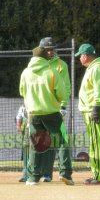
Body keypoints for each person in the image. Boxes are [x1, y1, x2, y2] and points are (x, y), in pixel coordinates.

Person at [19, 46, 74, 186]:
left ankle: (32, 178)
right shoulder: (52, 71)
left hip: (34, 114)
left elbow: (22, 92)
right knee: (62, 141)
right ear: (45, 57)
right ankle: (65, 173)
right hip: (52, 113)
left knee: (36, 144)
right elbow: (62, 94)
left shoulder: (25, 72)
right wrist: (54, 101)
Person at [75, 43, 100, 185]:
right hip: (91, 110)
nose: (79, 59)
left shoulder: (96, 69)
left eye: (80, 56)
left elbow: (99, 91)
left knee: (97, 144)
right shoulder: (95, 68)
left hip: (94, 110)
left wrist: (96, 107)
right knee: (95, 143)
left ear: (85, 56)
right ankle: (97, 173)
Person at [38, 37, 71, 182]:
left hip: (56, 109)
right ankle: (44, 174)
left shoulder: (61, 65)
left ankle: (64, 172)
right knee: (42, 141)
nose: (50, 52)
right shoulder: (36, 65)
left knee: (60, 139)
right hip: (39, 109)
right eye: (47, 50)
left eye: (52, 49)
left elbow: (66, 87)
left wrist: (63, 106)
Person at [15, 104, 29, 182]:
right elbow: (18, 117)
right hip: (25, 132)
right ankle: (26, 174)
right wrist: (18, 126)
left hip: (35, 131)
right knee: (26, 153)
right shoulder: (23, 107)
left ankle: (41, 174)